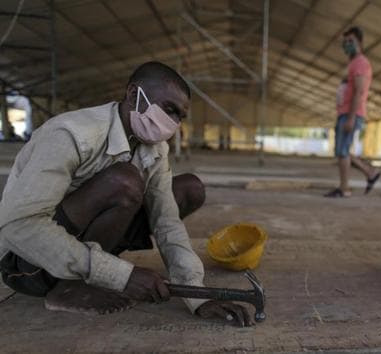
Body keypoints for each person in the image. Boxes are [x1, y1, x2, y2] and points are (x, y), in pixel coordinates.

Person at [0, 62, 254, 327]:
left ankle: (91, 269)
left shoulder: (155, 149)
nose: (173, 123)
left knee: (188, 188)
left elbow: (166, 221)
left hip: (78, 240)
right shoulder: (72, 134)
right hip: (28, 262)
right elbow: (18, 226)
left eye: (179, 116)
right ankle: (66, 287)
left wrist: (197, 294)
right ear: (133, 94)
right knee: (125, 181)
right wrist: (118, 275)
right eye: (169, 109)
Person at [325, 26, 380, 198]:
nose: (347, 45)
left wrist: (350, 118)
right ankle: (370, 173)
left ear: (360, 43)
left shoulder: (361, 63)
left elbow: (359, 92)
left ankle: (344, 189)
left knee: (342, 152)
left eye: (351, 41)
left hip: (351, 113)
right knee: (342, 151)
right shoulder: (354, 63)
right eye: (345, 42)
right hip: (345, 112)